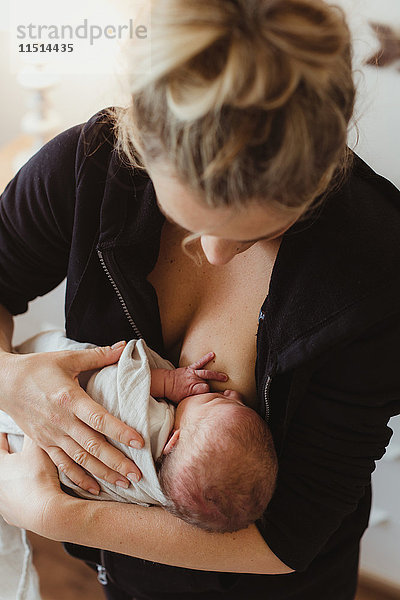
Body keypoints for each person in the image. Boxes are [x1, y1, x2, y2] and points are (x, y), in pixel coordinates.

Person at [0, 1, 399, 599]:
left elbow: (287, 539)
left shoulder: (376, 274)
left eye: (258, 230)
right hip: (123, 575)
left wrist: (58, 516)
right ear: (137, 141)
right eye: (187, 220)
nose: (214, 253)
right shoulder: (85, 168)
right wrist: (8, 378)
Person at [0, 331, 277, 600]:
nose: (232, 394)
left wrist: (168, 382)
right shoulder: (163, 495)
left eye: (215, 400)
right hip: (25, 449)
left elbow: (115, 385)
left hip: (30, 421)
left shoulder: (150, 426)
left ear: (174, 440)